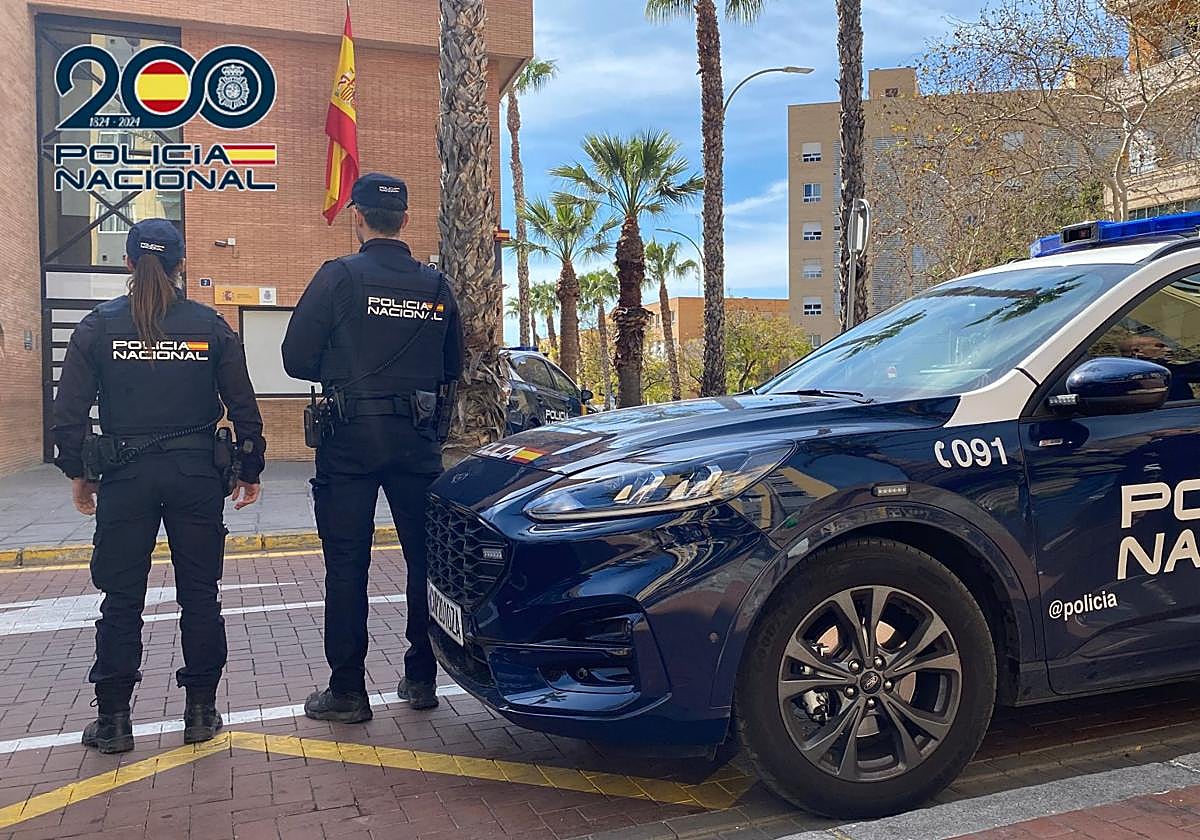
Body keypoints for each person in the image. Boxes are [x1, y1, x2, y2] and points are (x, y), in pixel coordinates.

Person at [52, 219, 266, 754]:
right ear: (181, 266)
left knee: (121, 599)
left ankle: (115, 720)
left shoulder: (97, 326)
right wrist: (251, 467)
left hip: (125, 476)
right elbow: (243, 405)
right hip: (196, 475)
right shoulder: (210, 326)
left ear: (126, 264)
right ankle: (200, 713)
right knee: (200, 595)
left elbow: (69, 412)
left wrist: (78, 471)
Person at [283, 173, 463, 721]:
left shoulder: (337, 277)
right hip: (416, 440)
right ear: (405, 220)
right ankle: (421, 676)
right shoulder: (436, 286)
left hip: (349, 441)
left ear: (357, 217)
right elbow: (452, 366)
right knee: (423, 562)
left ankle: (347, 691)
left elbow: (295, 358)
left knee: (346, 565)